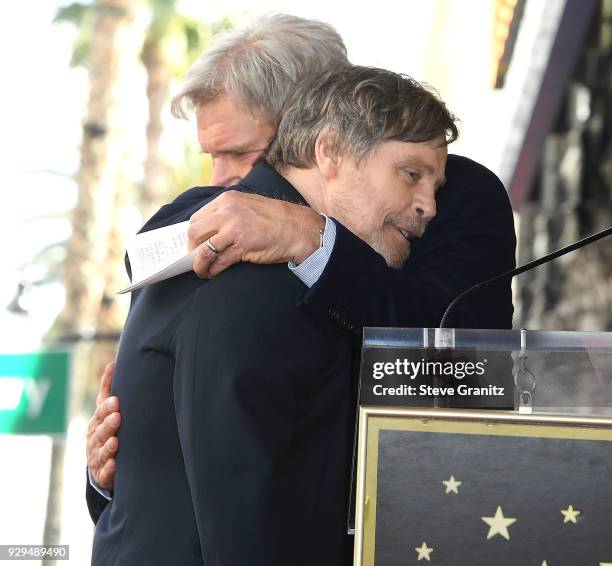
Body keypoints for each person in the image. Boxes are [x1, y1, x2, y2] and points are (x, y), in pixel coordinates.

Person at [86, 13, 516, 522]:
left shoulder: (457, 199)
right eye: (212, 156)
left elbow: (471, 373)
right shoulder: (195, 216)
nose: (223, 182)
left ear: (321, 132)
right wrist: (113, 466)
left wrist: (311, 237)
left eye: (243, 154)